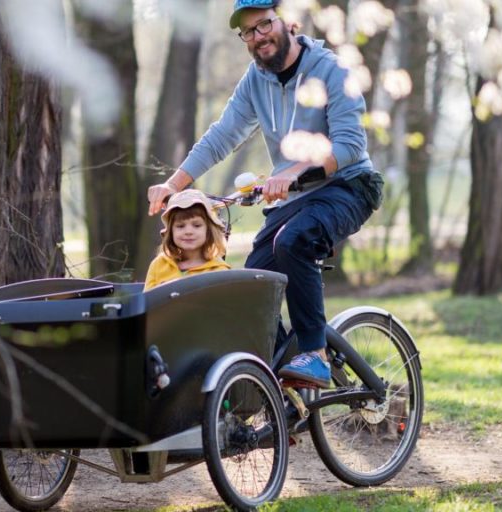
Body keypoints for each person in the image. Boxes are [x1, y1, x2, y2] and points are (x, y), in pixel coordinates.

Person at [146, 0, 384, 388]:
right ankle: (277, 392)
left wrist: (292, 171)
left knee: (293, 241)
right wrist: (174, 185)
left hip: (348, 187)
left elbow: (350, 146)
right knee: (253, 286)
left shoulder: (332, 69)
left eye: (264, 25)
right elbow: (223, 135)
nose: (258, 37)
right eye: (248, 33)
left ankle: (316, 356)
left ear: (287, 23)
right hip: (296, 198)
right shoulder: (255, 79)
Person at [144, 189, 231, 291]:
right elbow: (147, 303)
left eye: (197, 225)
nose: (188, 231)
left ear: (208, 230)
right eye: (180, 226)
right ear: (171, 232)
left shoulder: (218, 271)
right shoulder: (159, 265)